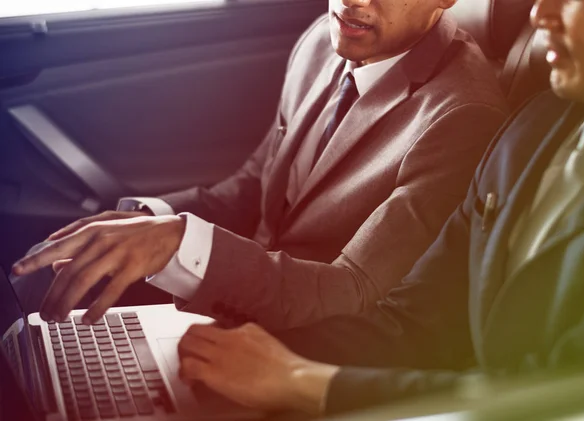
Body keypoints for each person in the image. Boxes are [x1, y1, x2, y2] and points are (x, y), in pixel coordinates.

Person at [173, 0, 584, 416]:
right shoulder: (535, 128)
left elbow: (562, 395)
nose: (537, 13)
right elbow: (413, 321)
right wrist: (239, 353)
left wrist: (301, 381)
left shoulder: (469, 114)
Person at [11, 0, 508, 330]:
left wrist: (179, 245)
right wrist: (152, 222)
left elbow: (355, 294)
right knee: (31, 298)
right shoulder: (326, 37)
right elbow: (256, 187)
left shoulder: (463, 117)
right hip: (242, 305)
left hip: (307, 349)